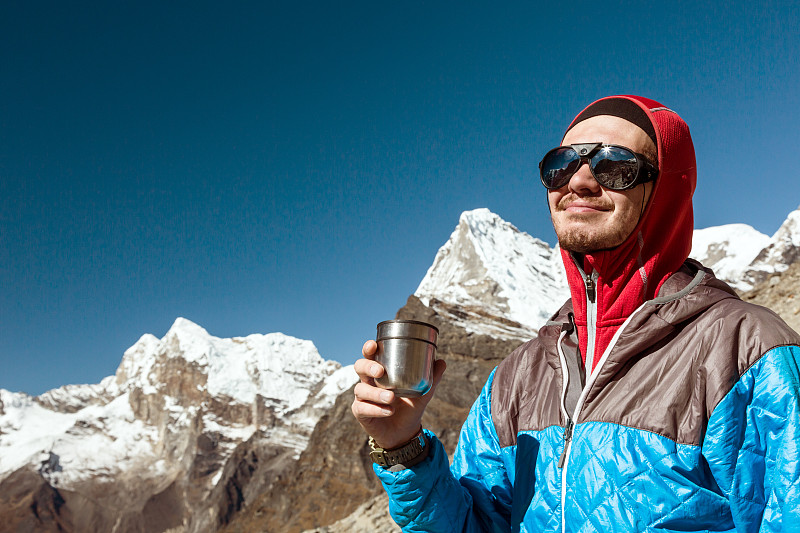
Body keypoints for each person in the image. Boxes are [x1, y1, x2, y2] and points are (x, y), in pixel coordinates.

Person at [351, 95, 800, 532]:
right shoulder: (516, 378)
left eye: (615, 165)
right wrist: (402, 444)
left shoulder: (748, 352)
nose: (579, 181)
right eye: (561, 165)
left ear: (666, 190)